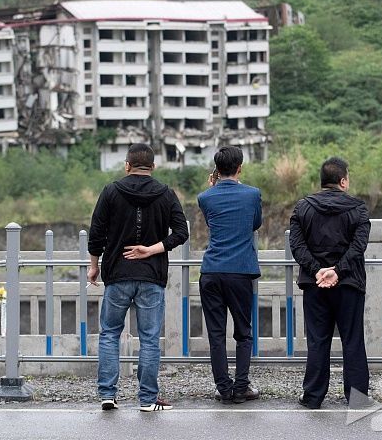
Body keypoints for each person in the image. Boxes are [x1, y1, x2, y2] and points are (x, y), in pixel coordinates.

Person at [87, 142, 189, 412]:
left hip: (117, 274)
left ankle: (107, 394)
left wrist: (93, 265)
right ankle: (147, 399)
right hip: (151, 276)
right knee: (149, 338)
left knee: (109, 334)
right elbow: (181, 232)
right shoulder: (166, 194)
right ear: (153, 167)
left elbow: (96, 232)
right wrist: (151, 249)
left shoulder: (111, 191)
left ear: (127, 165)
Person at [289, 156, 371, 409]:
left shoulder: (302, 207)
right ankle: (357, 399)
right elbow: (359, 246)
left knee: (318, 339)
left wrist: (317, 271)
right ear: (343, 181)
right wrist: (338, 270)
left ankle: (313, 396)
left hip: (315, 285)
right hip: (348, 284)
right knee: (353, 340)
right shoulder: (358, 209)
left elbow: (297, 245)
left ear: (322, 181)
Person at [197, 146, 263, 404]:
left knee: (216, 333)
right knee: (243, 332)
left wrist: (213, 186)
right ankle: (242, 386)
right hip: (240, 271)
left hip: (211, 270)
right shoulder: (252, 194)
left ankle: (223, 388)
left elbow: (214, 222)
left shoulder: (205, 197)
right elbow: (255, 223)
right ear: (239, 168)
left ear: (216, 169)